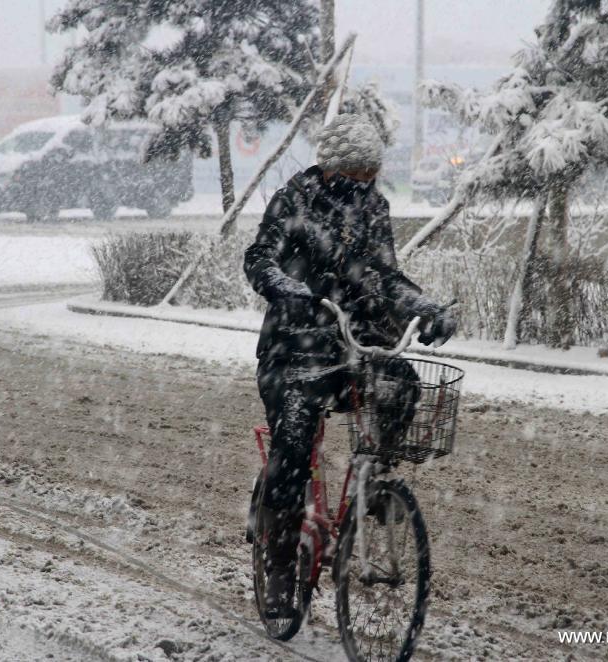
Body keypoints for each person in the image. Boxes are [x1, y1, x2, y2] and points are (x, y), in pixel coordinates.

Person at [243, 114, 457, 617]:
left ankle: (375, 482)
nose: (363, 184)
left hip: (353, 348)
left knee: (401, 384)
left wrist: (424, 307)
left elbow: (383, 276)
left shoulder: (374, 209)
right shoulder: (294, 200)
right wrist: (290, 290)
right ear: (332, 166)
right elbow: (259, 259)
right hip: (293, 352)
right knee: (293, 446)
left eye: (370, 174)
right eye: (354, 174)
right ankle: (278, 567)